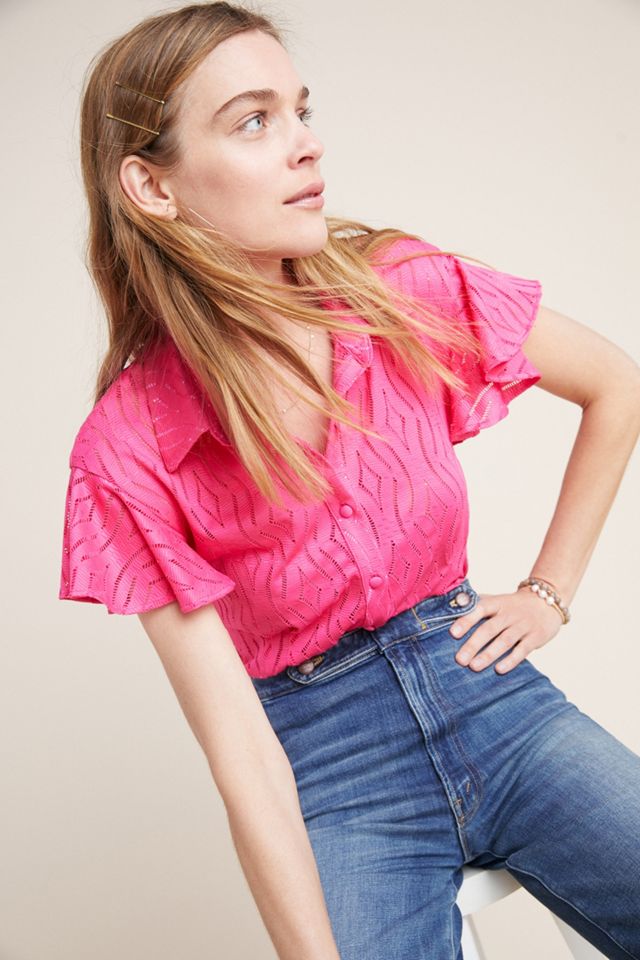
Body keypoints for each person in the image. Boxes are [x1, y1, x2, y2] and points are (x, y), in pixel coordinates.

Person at [58, 3, 640, 958]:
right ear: (151, 186)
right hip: (332, 769)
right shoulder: (126, 447)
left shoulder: (399, 289)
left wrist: (548, 592)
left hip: (494, 701)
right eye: (254, 120)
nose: (307, 144)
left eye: (301, 109)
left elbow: (618, 383)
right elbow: (243, 758)